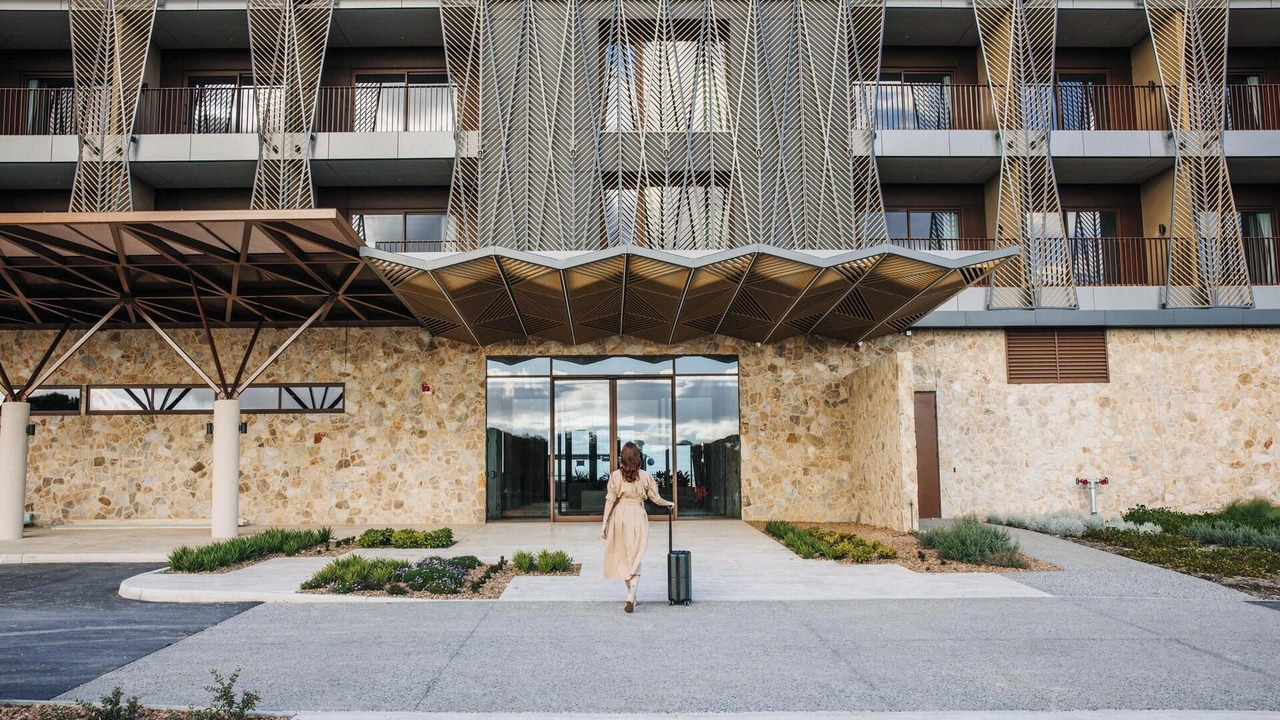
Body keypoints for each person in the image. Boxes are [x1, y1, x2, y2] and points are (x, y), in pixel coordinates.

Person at [601, 441, 674, 613]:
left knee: (623, 555)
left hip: (620, 516)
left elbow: (610, 500)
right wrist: (669, 503)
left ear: (622, 457)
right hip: (638, 516)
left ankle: (630, 593)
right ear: (637, 457)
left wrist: (604, 523)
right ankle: (631, 594)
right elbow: (656, 499)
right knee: (635, 555)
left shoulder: (615, 476)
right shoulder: (646, 476)